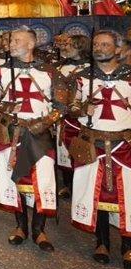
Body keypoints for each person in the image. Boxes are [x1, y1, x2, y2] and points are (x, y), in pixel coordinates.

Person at [0, 26, 67, 252]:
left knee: (42, 181)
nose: (11, 44)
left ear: (31, 44)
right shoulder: (0, 72)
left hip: (39, 133)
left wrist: (45, 121)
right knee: (15, 179)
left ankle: (39, 230)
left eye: (16, 40)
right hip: (11, 132)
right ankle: (20, 226)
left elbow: (62, 105)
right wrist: (7, 106)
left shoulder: (50, 71)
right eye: (11, 40)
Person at [69, 30, 131, 269]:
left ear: (117, 49)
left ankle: (128, 247)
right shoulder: (81, 76)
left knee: (127, 196)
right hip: (93, 143)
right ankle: (102, 242)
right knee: (96, 195)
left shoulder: (128, 76)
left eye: (105, 44)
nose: (99, 48)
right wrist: (82, 109)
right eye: (96, 44)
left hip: (123, 144)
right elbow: (70, 105)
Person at [55, 34, 90, 199]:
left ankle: (83, 186)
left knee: (82, 153)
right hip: (64, 118)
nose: (65, 47)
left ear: (80, 47)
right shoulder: (60, 66)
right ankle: (68, 185)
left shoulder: (91, 68)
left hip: (82, 119)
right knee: (64, 153)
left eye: (69, 45)